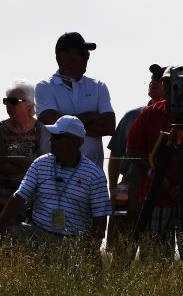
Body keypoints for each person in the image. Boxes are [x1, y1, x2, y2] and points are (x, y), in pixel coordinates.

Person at [125, 67, 183, 255]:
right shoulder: (149, 114)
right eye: (167, 83)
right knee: (154, 259)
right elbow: (133, 150)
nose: (172, 88)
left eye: (176, 84)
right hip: (158, 197)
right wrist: (156, 176)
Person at [0, 116, 110, 245]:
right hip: (36, 232)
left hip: (73, 241)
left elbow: (100, 218)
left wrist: (90, 250)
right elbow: (19, 197)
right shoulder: (40, 164)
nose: (51, 139)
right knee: (7, 232)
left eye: (57, 136)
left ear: (73, 142)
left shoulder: (94, 175)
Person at [105, 64, 164, 258]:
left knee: (154, 251)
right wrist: (114, 189)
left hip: (159, 191)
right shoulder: (132, 115)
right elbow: (114, 156)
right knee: (119, 246)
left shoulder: (175, 119)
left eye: (160, 79)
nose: (153, 81)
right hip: (126, 187)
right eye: (153, 78)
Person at [35, 32, 114, 171]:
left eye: (87, 54)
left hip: (92, 177)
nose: (86, 58)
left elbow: (109, 126)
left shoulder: (99, 86)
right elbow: (51, 121)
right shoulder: (44, 87)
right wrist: (89, 117)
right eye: (81, 53)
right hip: (54, 175)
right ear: (62, 57)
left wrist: (66, 129)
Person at [0, 80, 42, 217]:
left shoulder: (42, 129)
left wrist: (11, 159)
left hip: (34, 194)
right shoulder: (1, 129)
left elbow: (44, 165)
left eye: (13, 101)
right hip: (3, 193)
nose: (8, 105)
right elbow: (2, 165)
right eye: (6, 101)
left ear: (29, 104)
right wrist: (32, 163)